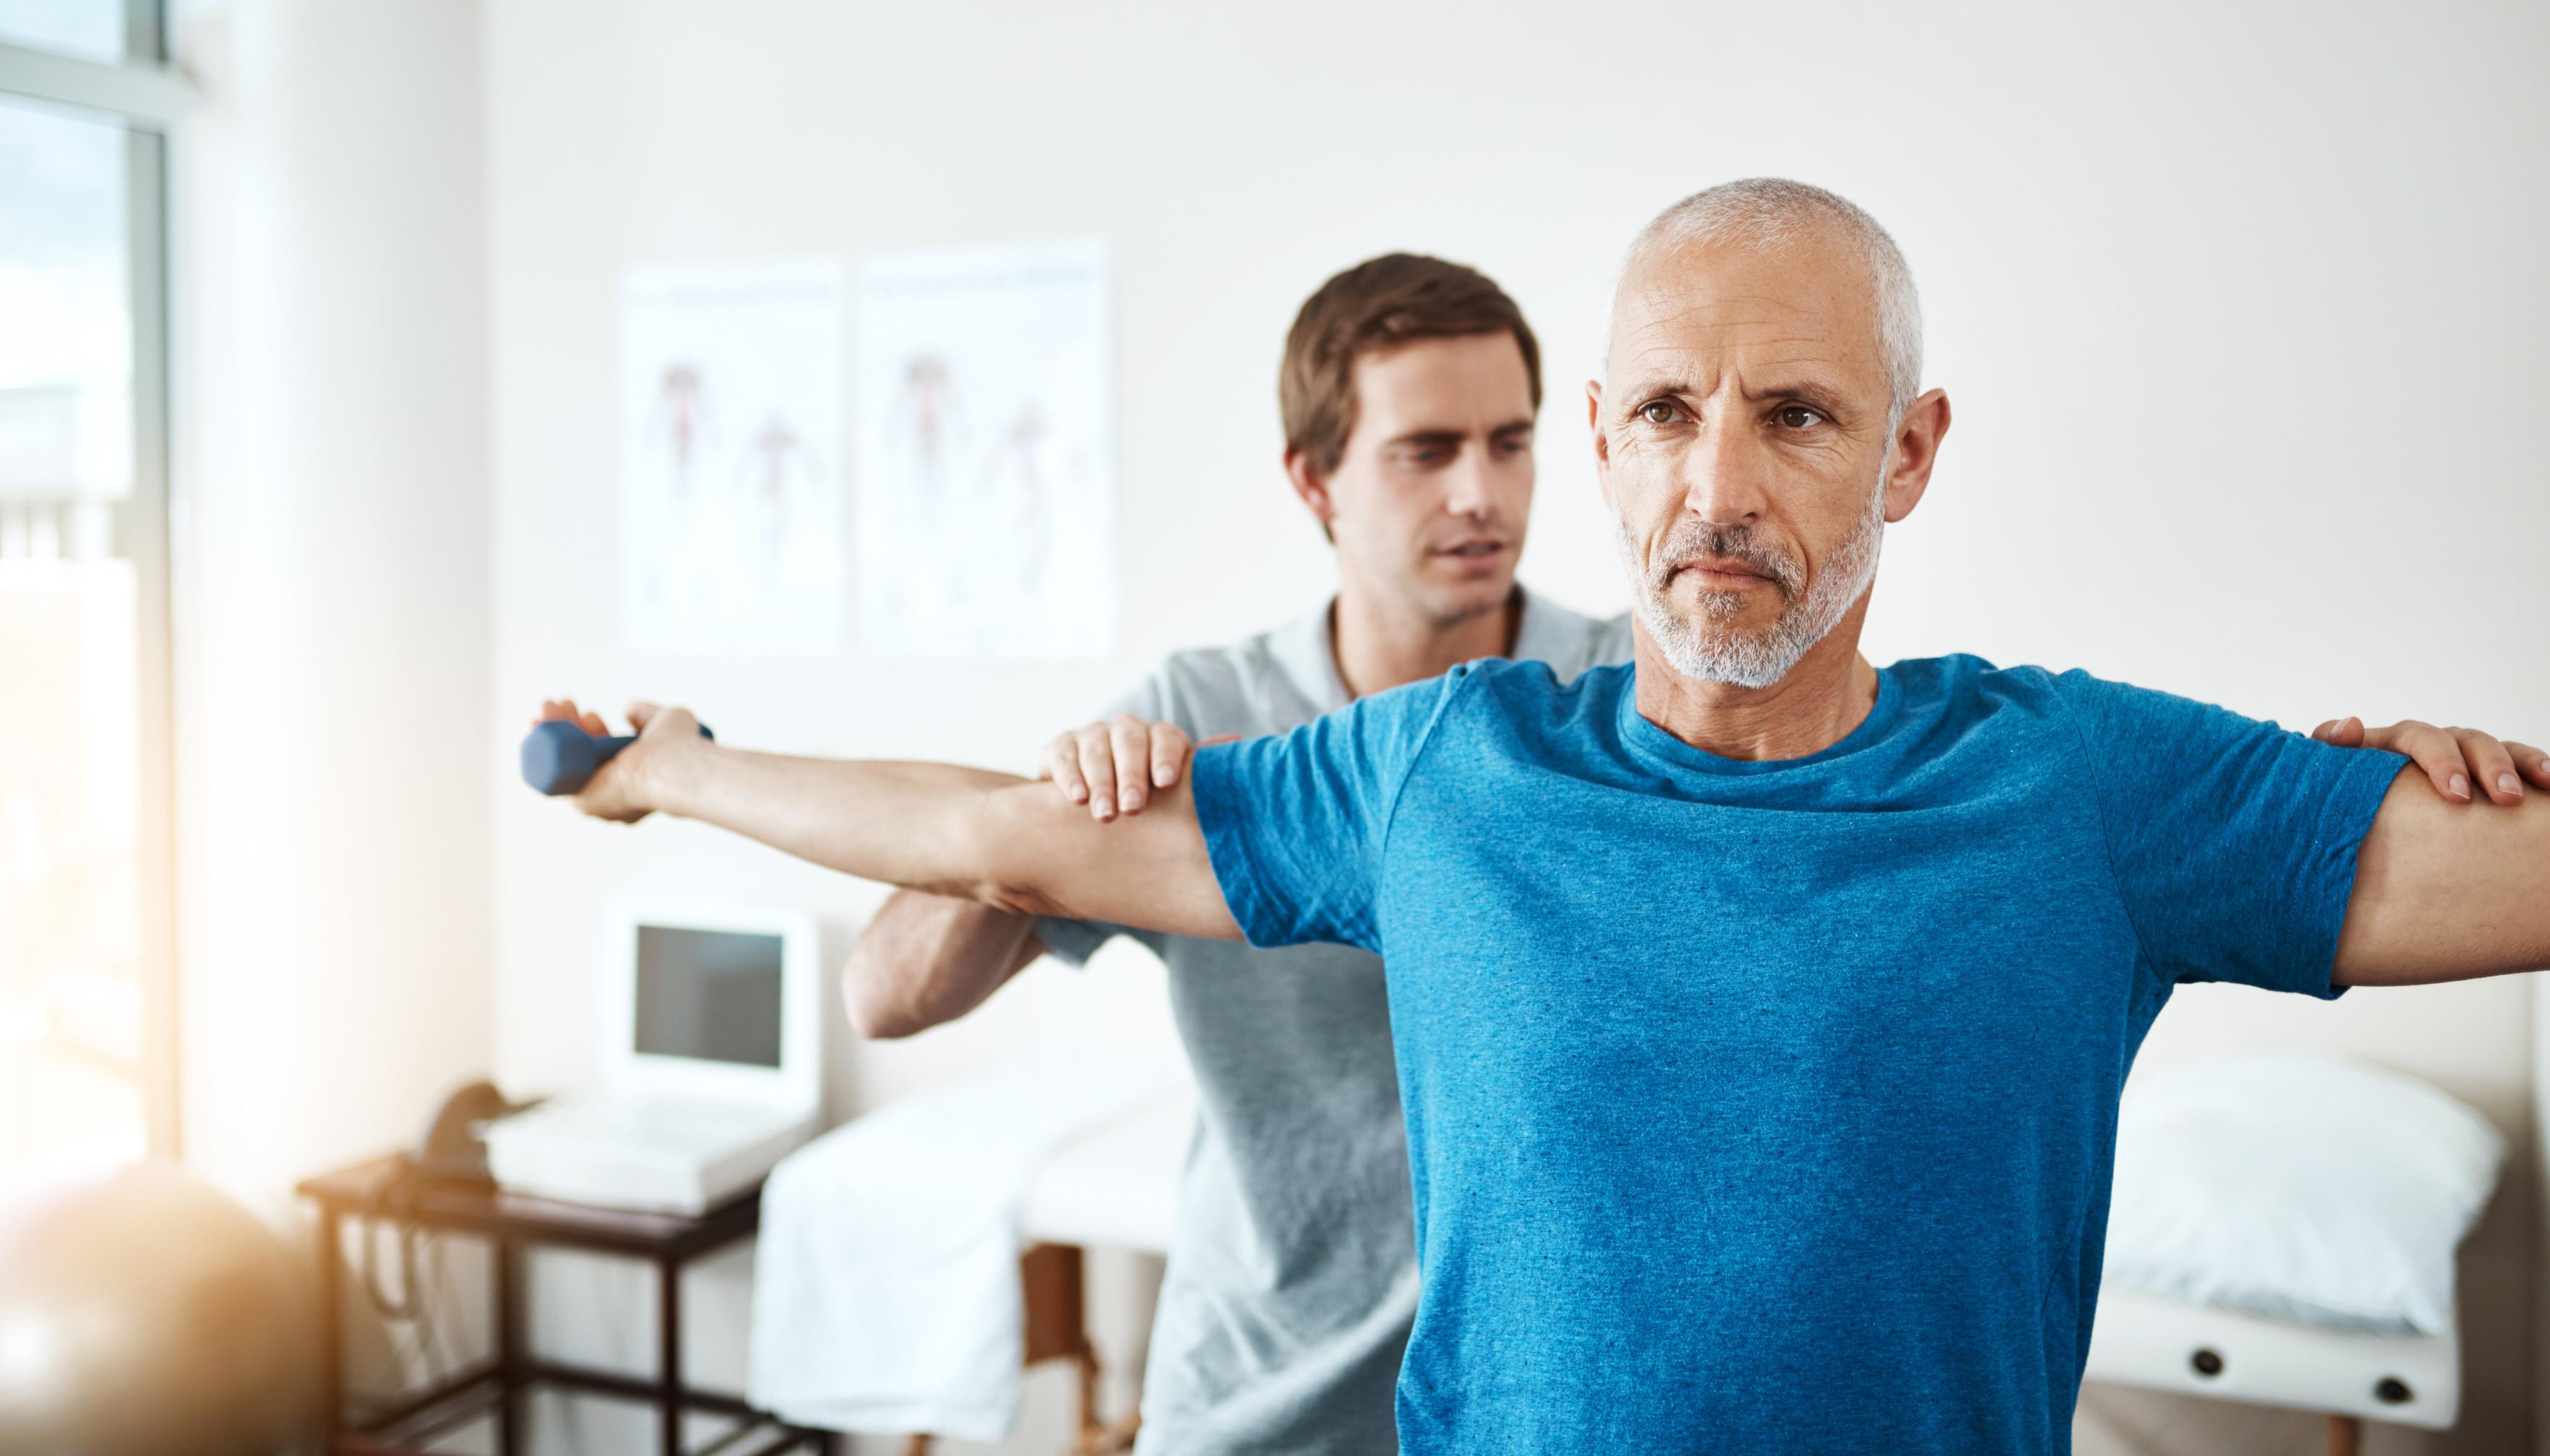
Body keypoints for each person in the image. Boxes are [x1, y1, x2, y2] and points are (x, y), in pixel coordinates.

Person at [539, 180, 2550, 1455]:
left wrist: (2456, 778)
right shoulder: (1438, 761)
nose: (1717, 488)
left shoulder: (2085, 784)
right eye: (1665, 413)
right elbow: (985, 838)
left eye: (1796, 414)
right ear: (1612, 439)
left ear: (1909, 453)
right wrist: (668, 767)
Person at [845, 253, 1629, 1456]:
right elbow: (886, 994)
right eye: (1426, 451)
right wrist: (1050, 812)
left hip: (1538, 1405)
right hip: (1258, 1407)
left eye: (1509, 443)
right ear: (1314, 478)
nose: (1481, 492)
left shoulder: (1624, 696)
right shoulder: (1206, 714)